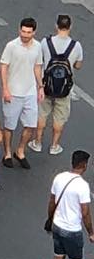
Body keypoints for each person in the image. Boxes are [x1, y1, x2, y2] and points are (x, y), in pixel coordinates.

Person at [41, 151, 93, 259]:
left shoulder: (59, 178)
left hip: (57, 225)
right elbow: (85, 213)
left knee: (58, 258)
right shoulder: (82, 186)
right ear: (84, 165)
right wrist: (91, 232)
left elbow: (52, 201)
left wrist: (50, 219)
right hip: (71, 230)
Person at [0, 17, 45, 168]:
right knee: (9, 126)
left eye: (28, 32)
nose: (25, 35)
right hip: (13, 92)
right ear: (19, 30)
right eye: (23, 31)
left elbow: (37, 67)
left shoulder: (38, 47)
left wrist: (40, 87)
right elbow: (4, 66)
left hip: (30, 92)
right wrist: (5, 88)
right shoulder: (11, 46)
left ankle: (20, 151)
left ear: (34, 32)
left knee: (31, 125)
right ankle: (7, 152)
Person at [35, 14, 83, 156]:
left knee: (42, 114)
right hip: (64, 89)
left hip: (46, 86)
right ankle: (54, 145)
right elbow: (78, 65)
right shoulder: (76, 45)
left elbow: (40, 59)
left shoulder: (46, 42)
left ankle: (37, 142)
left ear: (56, 26)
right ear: (70, 27)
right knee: (60, 117)